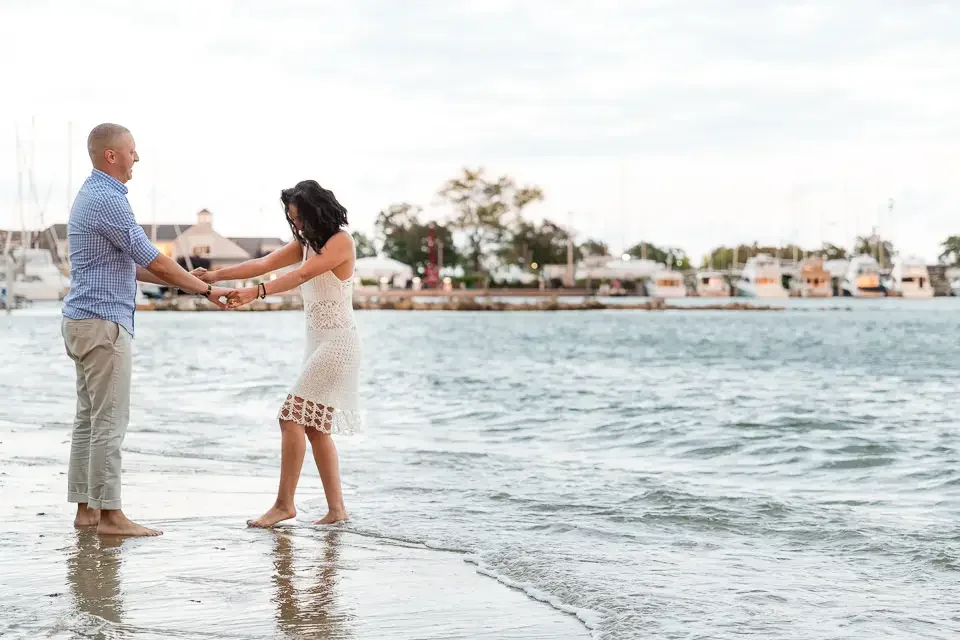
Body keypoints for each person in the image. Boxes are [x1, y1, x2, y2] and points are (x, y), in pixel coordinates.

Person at [62, 123, 231, 537]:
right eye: (132, 151)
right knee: (109, 422)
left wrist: (186, 280)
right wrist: (205, 289)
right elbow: (153, 259)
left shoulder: (92, 196)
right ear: (112, 156)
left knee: (89, 419)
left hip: (82, 320)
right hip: (103, 324)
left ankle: (87, 511)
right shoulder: (108, 200)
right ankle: (111, 516)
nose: (137, 157)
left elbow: (133, 266)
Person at [193, 180, 361, 527]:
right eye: (291, 218)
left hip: (339, 344)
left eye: (299, 217)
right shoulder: (305, 244)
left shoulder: (341, 242)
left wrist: (257, 294)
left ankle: (285, 505)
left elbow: (301, 276)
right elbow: (263, 263)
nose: (296, 224)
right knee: (316, 428)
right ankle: (337, 511)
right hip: (317, 343)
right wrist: (215, 274)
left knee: (290, 417)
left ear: (317, 211)